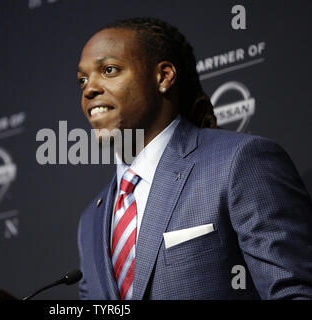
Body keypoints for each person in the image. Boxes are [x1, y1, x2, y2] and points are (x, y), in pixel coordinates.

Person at [76, 17, 312, 300]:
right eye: (82, 80)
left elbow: (294, 292)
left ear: (163, 76)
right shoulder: (92, 219)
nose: (89, 89)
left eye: (109, 70)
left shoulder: (239, 162)